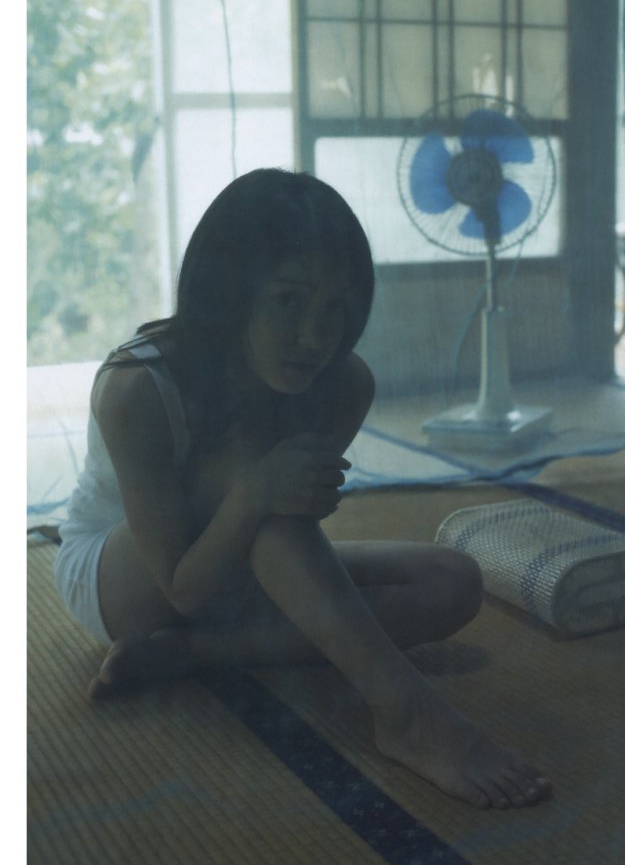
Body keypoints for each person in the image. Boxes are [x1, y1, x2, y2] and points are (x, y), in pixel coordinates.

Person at [55, 168, 552, 810]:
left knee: (453, 581)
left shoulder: (345, 383)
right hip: (127, 575)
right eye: (288, 301)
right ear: (230, 291)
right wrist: (256, 493)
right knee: (253, 467)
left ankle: (195, 655)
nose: (315, 337)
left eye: (335, 309)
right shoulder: (139, 389)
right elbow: (186, 589)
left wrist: (265, 497)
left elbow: (282, 543)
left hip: (229, 571)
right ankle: (407, 712)